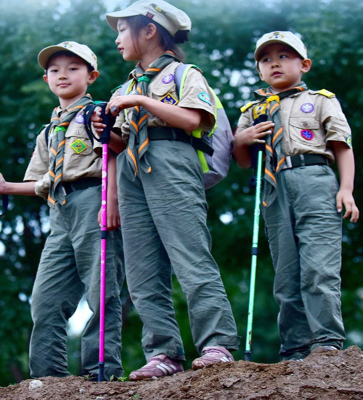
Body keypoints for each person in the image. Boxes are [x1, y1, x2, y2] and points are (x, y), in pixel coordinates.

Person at [97, 0, 240, 380]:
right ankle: (163, 353)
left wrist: (143, 99)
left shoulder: (183, 74)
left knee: (190, 254)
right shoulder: (125, 85)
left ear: (149, 30)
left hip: (173, 158)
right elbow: (119, 141)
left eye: (122, 29)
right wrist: (103, 129)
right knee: (143, 269)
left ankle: (217, 343)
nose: (117, 39)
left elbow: (195, 119)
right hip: (131, 168)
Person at [0, 41, 125, 380]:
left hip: (94, 201)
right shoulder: (48, 131)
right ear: (45, 79)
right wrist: (5, 187)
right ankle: (48, 379)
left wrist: (111, 201)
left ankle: (102, 371)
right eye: (55, 70)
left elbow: (114, 154)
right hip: (59, 209)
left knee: (101, 289)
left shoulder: (98, 113)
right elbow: (44, 180)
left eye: (73, 68)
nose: (63, 75)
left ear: (92, 76)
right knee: (44, 299)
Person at [233, 31, 359, 361]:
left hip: (315, 178)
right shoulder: (253, 110)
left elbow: (341, 146)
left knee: (319, 266)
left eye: (284, 56)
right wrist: (241, 138)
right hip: (274, 187)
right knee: (286, 272)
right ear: (259, 70)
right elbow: (245, 161)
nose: (274, 63)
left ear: (304, 64)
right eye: (266, 59)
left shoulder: (320, 100)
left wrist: (346, 189)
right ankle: (294, 346)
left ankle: (326, 341)